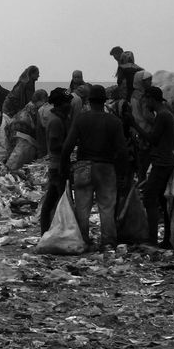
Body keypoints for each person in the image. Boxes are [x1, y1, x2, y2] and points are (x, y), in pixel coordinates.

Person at [61, 85, 128, 250]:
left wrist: (65, 166)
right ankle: (108, 241)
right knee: (106, 206)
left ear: (89, 101)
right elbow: (122, 151)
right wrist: (123, 174)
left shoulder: (81, 119)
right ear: (104, 102)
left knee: (83, 206)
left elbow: (67, 146)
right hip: (106, 167)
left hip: (84, 166)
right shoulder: (114, 121)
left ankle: (83, 240)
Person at [140, 87, 174, 247]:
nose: (145, 103)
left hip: (161, 162)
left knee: (149, 197)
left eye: (146, 100)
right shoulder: (166, 114)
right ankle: (167, 239)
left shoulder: (162, 116)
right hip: (165, 160)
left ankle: (152, 239)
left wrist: (134, 124)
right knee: (162, 200)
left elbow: (153, 139)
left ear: (152, 99)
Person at [38, 88, 73, 234]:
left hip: (57, 165)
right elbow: (54, 145)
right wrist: (70, 145)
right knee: (61, 202)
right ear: (60, 104)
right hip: (58, 166)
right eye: (67, 103)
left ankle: (47, 232)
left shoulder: (60, 119)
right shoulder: (56, 122)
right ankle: (58, 232)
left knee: (52, 201)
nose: (70, 105)